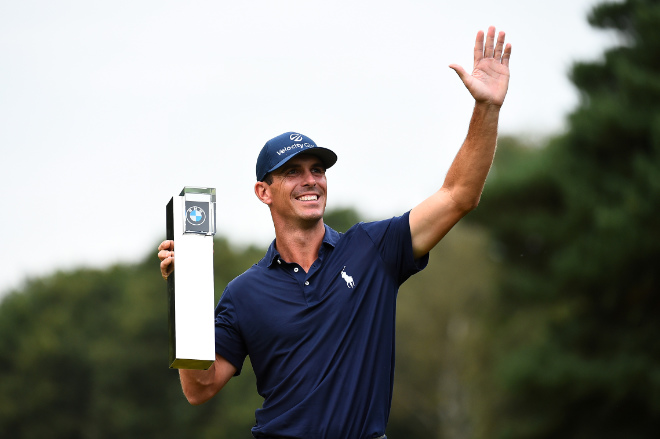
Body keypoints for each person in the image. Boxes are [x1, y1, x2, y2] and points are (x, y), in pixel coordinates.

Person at [158, 26, 511, 439]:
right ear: (263, 192)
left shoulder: (374, 249)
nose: (310, 180)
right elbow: (199, 389)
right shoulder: (245, 292)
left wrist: (486, 108)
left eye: (317, 170)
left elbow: (458, 195)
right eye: (293, 172)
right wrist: (186, 301)